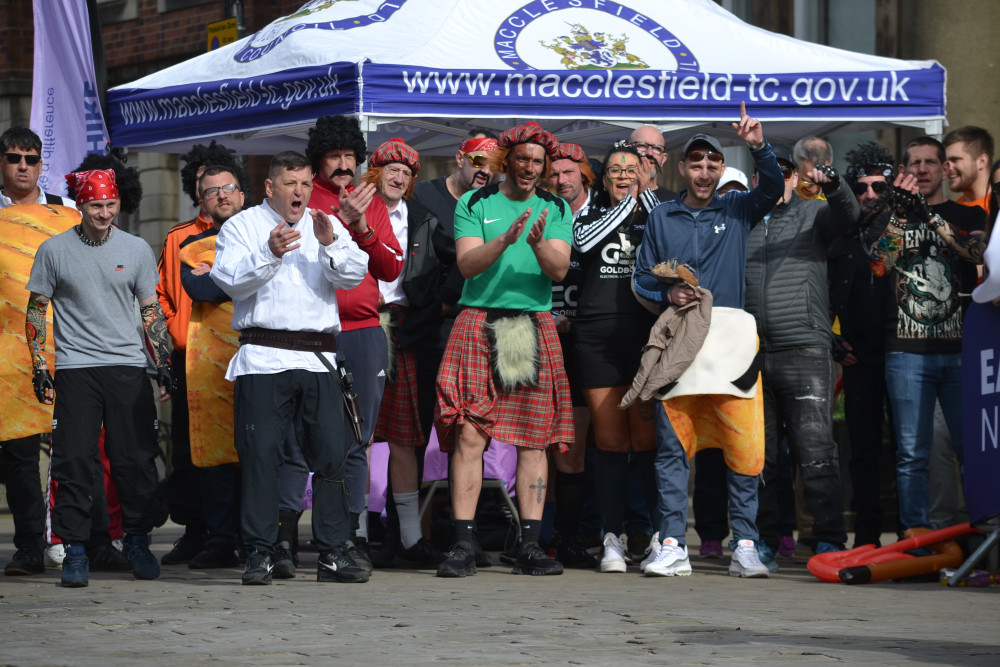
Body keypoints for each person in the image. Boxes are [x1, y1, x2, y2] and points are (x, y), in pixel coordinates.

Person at [632, 102, 783, 578]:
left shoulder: (738, 208)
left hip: (732, 342)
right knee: (674, 445)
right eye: (695, 164)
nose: (703, 172)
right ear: (682, 167)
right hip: (680, 342)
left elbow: (775, 188)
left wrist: (758, 146)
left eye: (712, 164)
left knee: (743, 446)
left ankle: (745, 544)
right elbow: (639, 278)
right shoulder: (662, 217)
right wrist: (667, 289)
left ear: (721, 169)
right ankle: (674, 542)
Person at [210, 151, 370, 585]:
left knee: (332, 456)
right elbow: (228, 280)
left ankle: (333, 552)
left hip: (318, 357)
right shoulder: (243, 226)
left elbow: (355, 274)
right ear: (270, 187)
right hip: (263, 355)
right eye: (290, 184)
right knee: (261, 458)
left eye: (303, 183)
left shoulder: (325, 222)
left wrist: (333, 242)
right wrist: (269, 252)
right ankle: (260, 552)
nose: (299, 191)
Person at [435, 121, 573, 578]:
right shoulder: (475, 202)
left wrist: (536, 245)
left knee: (534, 438)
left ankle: (529, 546)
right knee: (471, 434)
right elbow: (467, 263)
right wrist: (505, 240)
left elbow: (558, 271)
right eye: (523, 159)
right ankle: (464, 542)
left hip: (530, 325)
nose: (530, 168)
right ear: (507, 162)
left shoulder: (554, 207)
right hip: (479, 319)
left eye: (538, 161)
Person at [267, 116, 403, 578]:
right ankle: (283, 539)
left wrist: (362, 223)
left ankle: (350, 538)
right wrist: (338, 222)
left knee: (355, 439)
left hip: (363, 334)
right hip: (310, 334)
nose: (344, 165)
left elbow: (388, 269)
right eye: (334, 157)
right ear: (318, 160)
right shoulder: (302, 197)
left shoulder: (374, 202)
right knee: (294, 440)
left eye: (350, 156)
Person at [26, 168, 173, 587]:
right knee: (73, 462)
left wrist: (162, 362)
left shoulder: (138, 248)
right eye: (95, 205)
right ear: (80, 205)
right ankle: (75, 550)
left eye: (111, 205)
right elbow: (37, 309)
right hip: (75, 369)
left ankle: (138, 541)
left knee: (135, 460)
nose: (105, 213)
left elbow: (150, 309)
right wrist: (40, 366)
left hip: (126, 367)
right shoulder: (54, 250)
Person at [745, 142, 858, 569]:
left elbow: (849, 216)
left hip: (806, 350)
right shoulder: (744, 219)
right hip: (753, 353)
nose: (778, 178)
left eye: (786, 171)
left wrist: (836, 184)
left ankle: (828, 539)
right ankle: (765, 541)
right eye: (768, 172)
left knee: (816, 453)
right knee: (762, 458)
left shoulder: (814, 214)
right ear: (758, 178)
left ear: (794, 178)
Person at [866, 137, 987, 535]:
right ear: (903, 171)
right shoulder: (889, 215)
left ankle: (979, 536)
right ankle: (915, 538)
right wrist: (902, 214)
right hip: (906, 352)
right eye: (914, 163)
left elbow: (975, 254)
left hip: (958, 352)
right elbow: (879, 266)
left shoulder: (966, 212)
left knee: (974, 451)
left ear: (942, 169)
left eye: (930, 162)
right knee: (911, 454)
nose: (922, 169)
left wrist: (931, 218)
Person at [408, 129, 498, 567]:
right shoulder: (424, 196)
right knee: (424, 430)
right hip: (429, 327)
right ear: (460, 158)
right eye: (479, 162)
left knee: (472, 432)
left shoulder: (497, 200)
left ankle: (469, 530)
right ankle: (415, 534)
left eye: (494, 165)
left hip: (477, 326)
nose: (486, 172)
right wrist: (439, 298)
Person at [569, 141, 658, 573]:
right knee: (610, 441)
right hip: (597, 335)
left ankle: (658, 534)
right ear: (602, 179)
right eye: (615, 170)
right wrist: (629, 201)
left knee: (645, 440)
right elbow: (583, 242)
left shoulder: (656, 208)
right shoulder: (586, 212)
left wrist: (646, 195)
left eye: (632, 169)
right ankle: (612, 537)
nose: (624, 175)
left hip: (646, 335)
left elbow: (670, 229)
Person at [157, 141, 246, 566]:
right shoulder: (179, 239)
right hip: (189, 358)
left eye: (226, 186)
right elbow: (158, 299)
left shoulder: (254, 232)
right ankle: (197, 532)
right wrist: (171, 342)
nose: (219, 194)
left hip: (244, 353)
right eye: (209, 188)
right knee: (192, 450)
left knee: (245, 446)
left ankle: (243, 533)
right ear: (198, 192)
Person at [365, 138, 449, 567]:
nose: (399, 177)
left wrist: (436, 301)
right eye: (391, 169)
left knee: (404, 436)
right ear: (374, 172)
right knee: (355, 436)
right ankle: (356, 533)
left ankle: (412, 538)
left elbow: (448, 268)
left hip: (406, 329)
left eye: (407, 172)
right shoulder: (351, 213)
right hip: (359, 325)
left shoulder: (423, 218)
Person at [0, 126, 76, 576]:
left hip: (67, 344)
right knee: (20, 452)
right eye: (13, 158)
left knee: (74, 448)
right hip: (8, 352)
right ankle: (30, 544)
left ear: (42, 164)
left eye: (30, 159)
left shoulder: (65, 212)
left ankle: (75, 539)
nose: (23, 166)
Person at [826, 141, 896, 547]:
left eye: (879, 186)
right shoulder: (840, 231)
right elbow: (817, 292)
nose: (870, 194)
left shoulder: (902, 226)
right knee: (863, 450)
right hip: (857, 357)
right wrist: (833, 342)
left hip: (902, 352)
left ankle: (912, 533)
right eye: (862, 187)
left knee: (908, 448)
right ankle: (868, 536)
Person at [544, 141, 597, 568]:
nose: (560, 180)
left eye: (568, 172)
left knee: (575, 448)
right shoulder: (543, 210)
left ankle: (571, 537)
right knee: (537, 444)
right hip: (542, 339)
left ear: (584, 174)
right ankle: (539, 535)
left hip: (587, 344)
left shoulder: (601, 215)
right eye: (554, 173)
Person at [943, 126, 994, 215]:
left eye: (955, 160)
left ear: (981, 162)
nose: (948, 167)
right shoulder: (953, 212)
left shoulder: (996, 208)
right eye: (945, 162)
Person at [628, 125, 677, 201]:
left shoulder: (674, 202)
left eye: (657, 148)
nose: (650, 153)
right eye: (641, 145)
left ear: (663, 159)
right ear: (628, 152)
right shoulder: (615, 195)